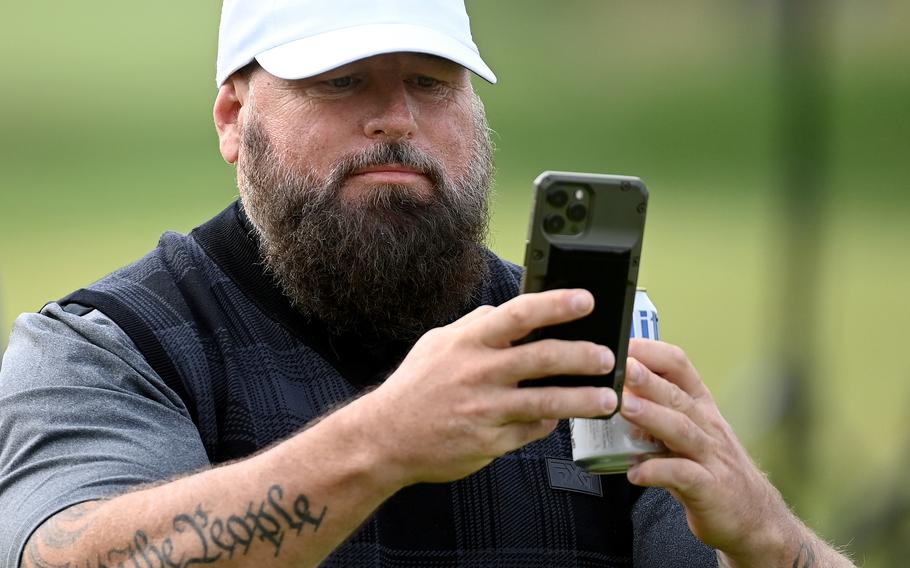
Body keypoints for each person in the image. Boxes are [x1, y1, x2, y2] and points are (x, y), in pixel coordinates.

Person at [0, 1, 854, 567]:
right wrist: (386, 442)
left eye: (430, 82)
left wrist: (769, 536)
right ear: (235, 118)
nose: (396, 119)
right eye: (341, 82)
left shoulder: (581, 345)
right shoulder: (112, 343)